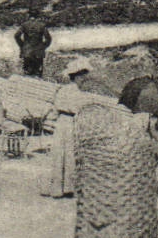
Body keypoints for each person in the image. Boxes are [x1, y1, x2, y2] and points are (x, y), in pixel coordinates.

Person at [43, 57, 112, 199]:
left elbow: (55, 109)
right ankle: (68, 188)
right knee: (70, 154)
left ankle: (58, 188)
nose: (84, 80)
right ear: (77, 77)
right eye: (82, 77)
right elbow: (79, 109)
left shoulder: (62, 90)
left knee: (59, 154)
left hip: (61, 123)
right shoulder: (76, 93)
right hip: (71, 122)